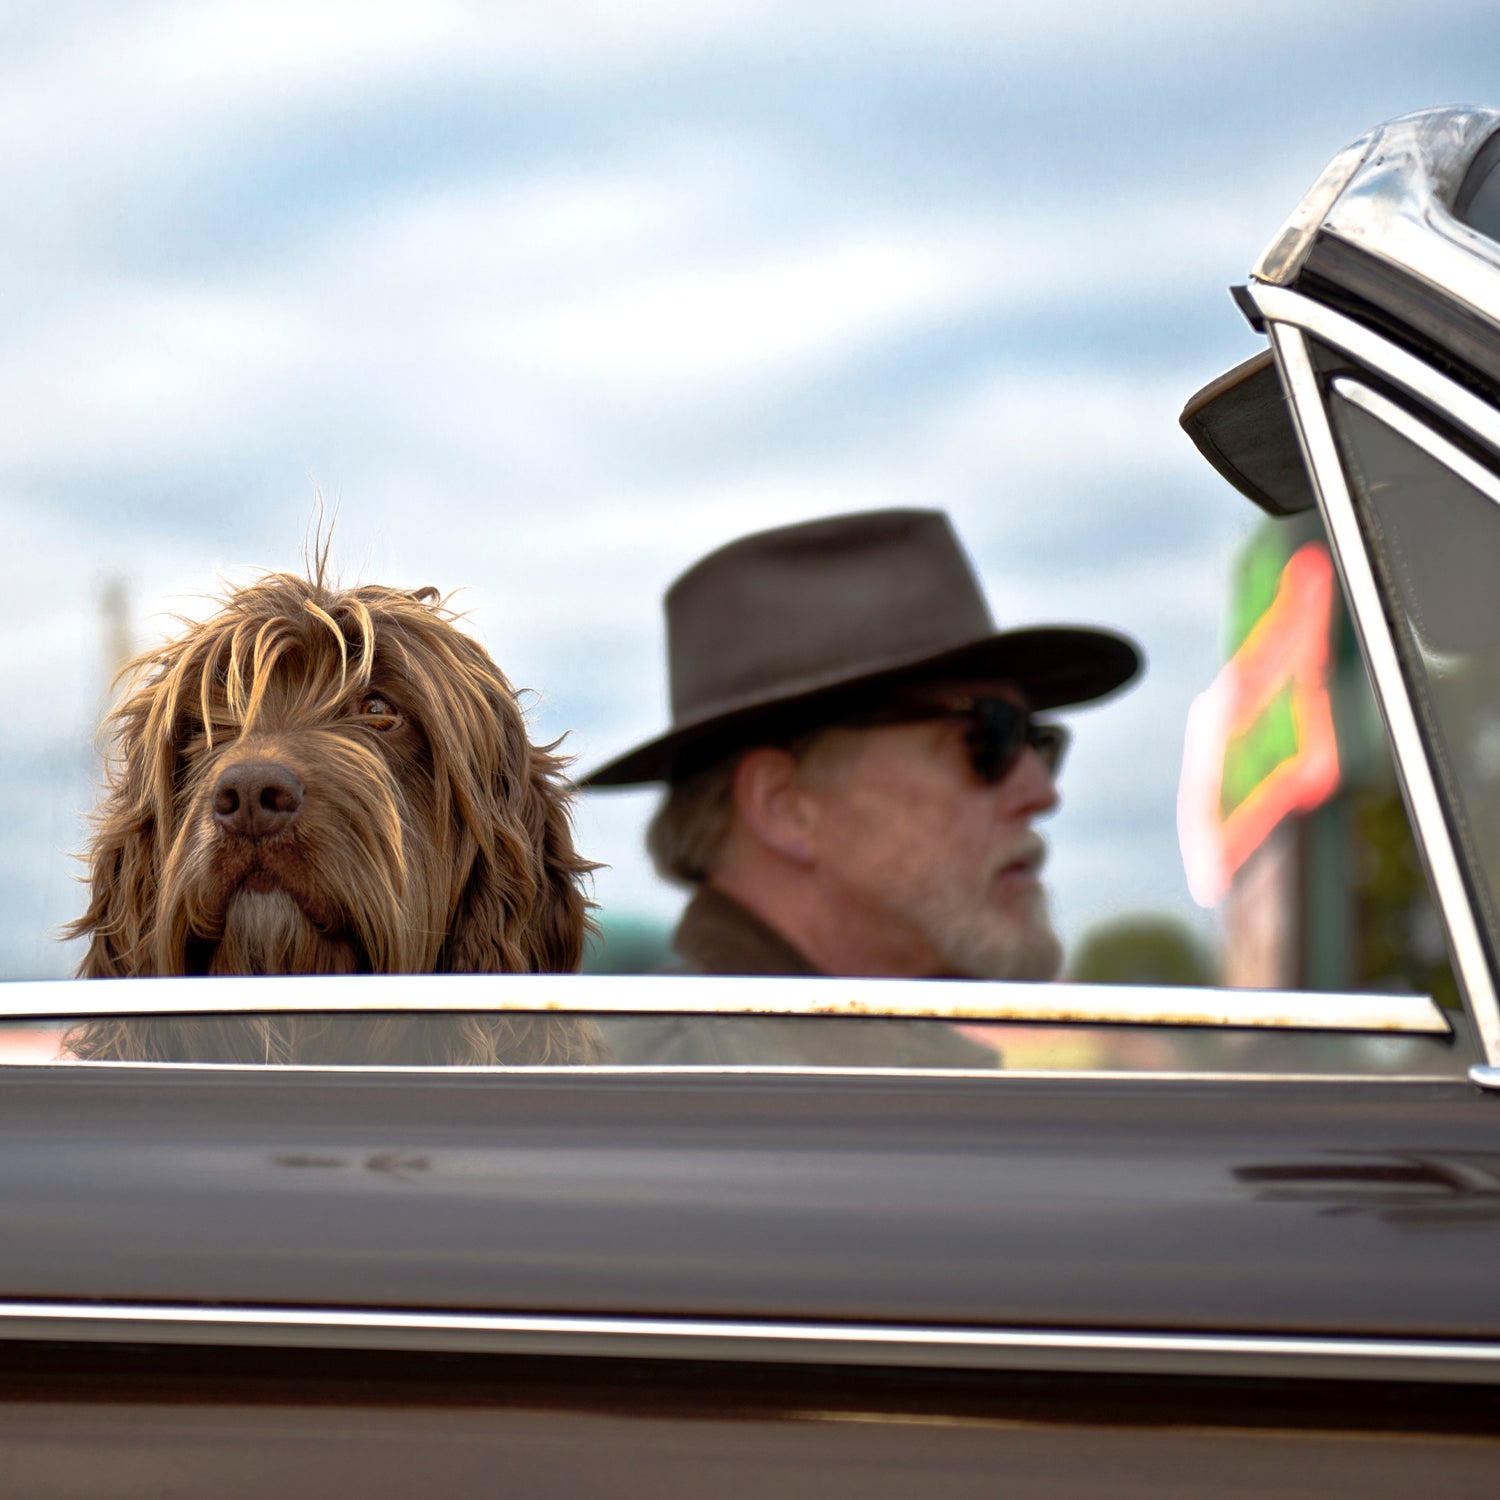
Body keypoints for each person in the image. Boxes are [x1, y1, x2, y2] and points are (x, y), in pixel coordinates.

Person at [582, 508, 1142, 1066]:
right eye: (988, 737)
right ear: (785, 806)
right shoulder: (658, 1102)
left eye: (1038, 742)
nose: (1041, 792)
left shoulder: (885, 1083)